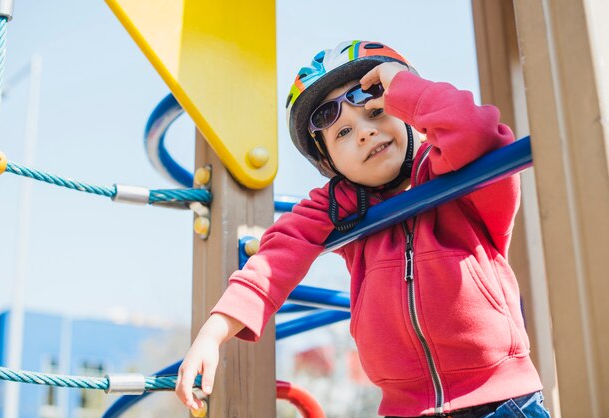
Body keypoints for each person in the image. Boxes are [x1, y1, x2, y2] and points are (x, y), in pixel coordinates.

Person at [175, 40, 550, 417]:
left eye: (376, 111)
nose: (364, 133)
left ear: (410, 116)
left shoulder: (460, 175)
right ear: (328, 162)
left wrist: (401, 84)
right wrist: (215, 331)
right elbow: (277, 255)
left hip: (502, 400)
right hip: (405, 410)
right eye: (342, 133)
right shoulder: (341, 206)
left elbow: (477, 130)